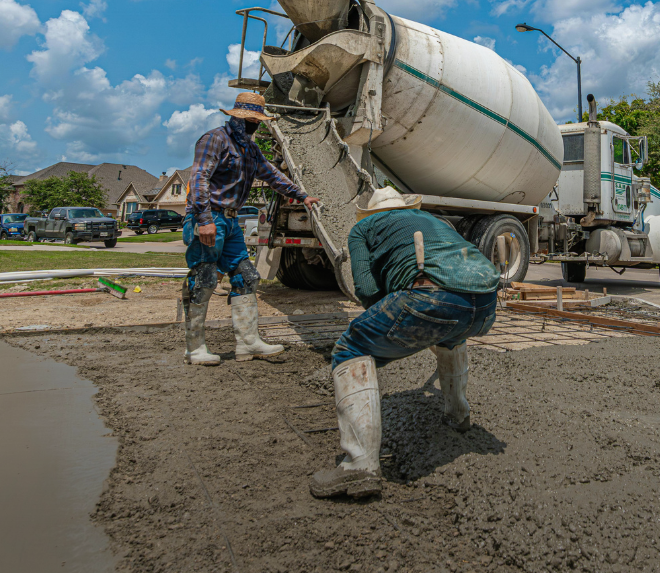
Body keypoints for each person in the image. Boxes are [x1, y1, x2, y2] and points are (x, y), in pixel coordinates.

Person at [309, 188, 502, 499]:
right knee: (450, 339)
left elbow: (366, 287)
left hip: (431, 298)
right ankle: (458, 416)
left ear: (372, 212)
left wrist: (392, 319)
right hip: (485, 305)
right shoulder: (433, 219)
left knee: (350, 347)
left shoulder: (363, 228)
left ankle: (359, 465)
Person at [182, 91, 319, 366]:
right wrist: (205, 220)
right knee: (205, 278)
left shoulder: (251, 150)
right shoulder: (215, 139)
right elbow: (199, 178)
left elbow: (271, 174)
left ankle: (248, 343)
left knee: (247, 276)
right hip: (210, 218)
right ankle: (194, 349)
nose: (255, 125)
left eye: (257, 120)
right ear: (238, 118)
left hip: (231, 222)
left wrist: (302, 195)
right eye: (251, 120)